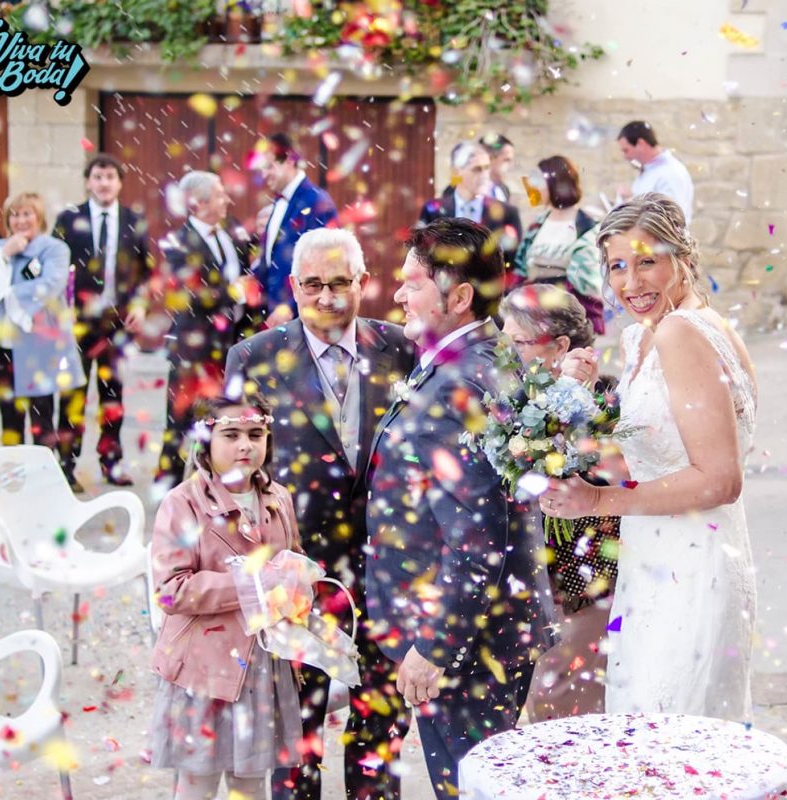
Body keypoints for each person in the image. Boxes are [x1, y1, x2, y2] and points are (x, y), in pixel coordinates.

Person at [541, 193, 757, 721]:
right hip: (656, 556)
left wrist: (596, 500)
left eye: (646, 262)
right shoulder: (647, 335)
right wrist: (580, 401)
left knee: (665, 733)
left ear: (680, 259)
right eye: (617, 265)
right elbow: (661, 446)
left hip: (689, 563)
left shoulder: (682, 333)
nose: (631, 282)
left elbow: (720, 479)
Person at [365, 218, 555, 800]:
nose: (398, 294)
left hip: (469, 644)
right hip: (494, 626)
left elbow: (477, 540)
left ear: (461, 296)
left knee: (467, 787)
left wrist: (433, 647)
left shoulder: (459, 383)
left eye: (414, 282)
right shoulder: (490, 354)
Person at [226, 228, 414, 800]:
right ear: (293, 286)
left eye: (340, 284)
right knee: (296, 720)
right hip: (295, 565)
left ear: (363, 282)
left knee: (381, 717)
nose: (327, 297)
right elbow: (231, 469)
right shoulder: (254, 356)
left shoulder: (402, 347)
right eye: (313, 285)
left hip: (388, 565)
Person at [148, 393, 303, 800]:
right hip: (206, 666)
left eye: (256, 434)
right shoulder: (183, 504)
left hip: (263, 663)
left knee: (251, 782)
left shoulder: (278, 499)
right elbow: (169, 591)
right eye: (231, 435)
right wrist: (251, 583)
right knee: (198, 779)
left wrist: (301, 583)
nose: (245, 446)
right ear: (206, 442)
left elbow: (294, 562)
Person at [499, 283, 618, 721]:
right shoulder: (513, 398)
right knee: (540, 705)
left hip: (582, 582)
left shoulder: (605, 399)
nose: (506, 352)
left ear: (562, 346)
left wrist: (568, 402)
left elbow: (610, 480)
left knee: (569, 703)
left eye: (517, 342)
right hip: (529, 580)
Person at [53, 153, 152, 491]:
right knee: (73, 397)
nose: (104, 183)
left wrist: (139, 304)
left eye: (110, 177)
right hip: (76, 324)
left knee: (113, 398)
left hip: (117, 324)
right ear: (88, 181)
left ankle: (111, 462)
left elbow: (145, 272)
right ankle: (66, 467)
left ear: (120, 183)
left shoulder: (133, 221)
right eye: (98, 177)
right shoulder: (68, 219)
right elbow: (54, 270)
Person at [155, 171, 251, 487]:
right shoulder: (179, 243)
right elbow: (191, 296)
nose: (227, 200)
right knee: (181, 424)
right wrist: (235, 292)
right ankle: (167, 493)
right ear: (199, 203)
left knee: (222, 421)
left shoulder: (232, 231)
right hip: (193, 348)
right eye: (220, 194)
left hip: (230, 346)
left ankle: (212, 487)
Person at [0, 192, 84, 452]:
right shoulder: (0, 247)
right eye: (14, 214)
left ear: (39, 217)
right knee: (10, 422)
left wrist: (9, 294)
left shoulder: (54, 248)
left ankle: (43, 481)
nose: (20, 220)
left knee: (41, 420)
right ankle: (15, 483)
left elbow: (51, 284)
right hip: (2, 351)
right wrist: (4, 256)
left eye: (26, 214)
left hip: (38, 349)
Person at [512, 155, 606, 334]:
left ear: (556, 182)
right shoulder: (537, 224)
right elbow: (520, 270)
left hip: (567, 320)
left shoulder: (586, 227)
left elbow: (587, 284)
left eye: (540, 181)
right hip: (532, 319)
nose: (535, 186)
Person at [255, 133, 338, 329]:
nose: (264, 175)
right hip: (275, 319)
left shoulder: (316, 201)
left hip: (303, 320)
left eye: (269, 167)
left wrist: (290, 307)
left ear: (290, 161)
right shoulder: (279, 202)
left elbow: (326, 264)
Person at [419, 141, 523, 270]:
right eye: (477, 169)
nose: (484, 176)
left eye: (487, 168)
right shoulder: (434, 211)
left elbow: (514, 263)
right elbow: (422, 257)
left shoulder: (507, 213)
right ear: (456, 172)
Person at [616, 121, 695, 224]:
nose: (625, 156)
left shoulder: (671, 172)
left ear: (640, 144)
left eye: (626, 150)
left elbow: (671, 216)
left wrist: (632, 200)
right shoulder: (649, 170)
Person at [481, 133, 516, 203]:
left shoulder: (504, 190)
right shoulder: (471, 190)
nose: (511, 166)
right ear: (490, 159)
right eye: (506, 160)